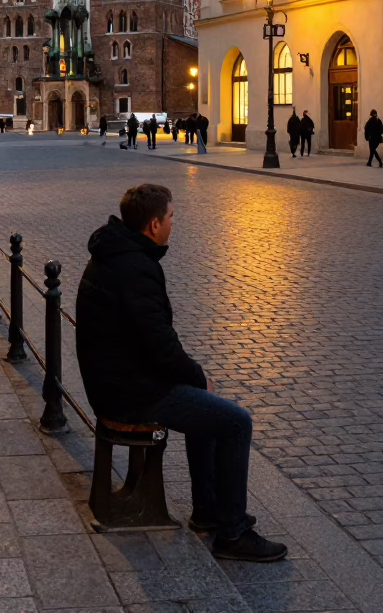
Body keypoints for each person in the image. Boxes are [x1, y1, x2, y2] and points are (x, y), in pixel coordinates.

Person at [75, 185, 287, 563]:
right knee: (236, 421)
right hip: (131, 392)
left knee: (206, 410)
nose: (174, 223)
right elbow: (158, 344)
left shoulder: (116, 255)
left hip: (116, 380)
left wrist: (190, 376)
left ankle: (209, 511)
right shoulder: (136, 268)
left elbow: (151, 341)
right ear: (154, 224)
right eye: (172, 216)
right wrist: (195, 374)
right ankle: (232, 533)